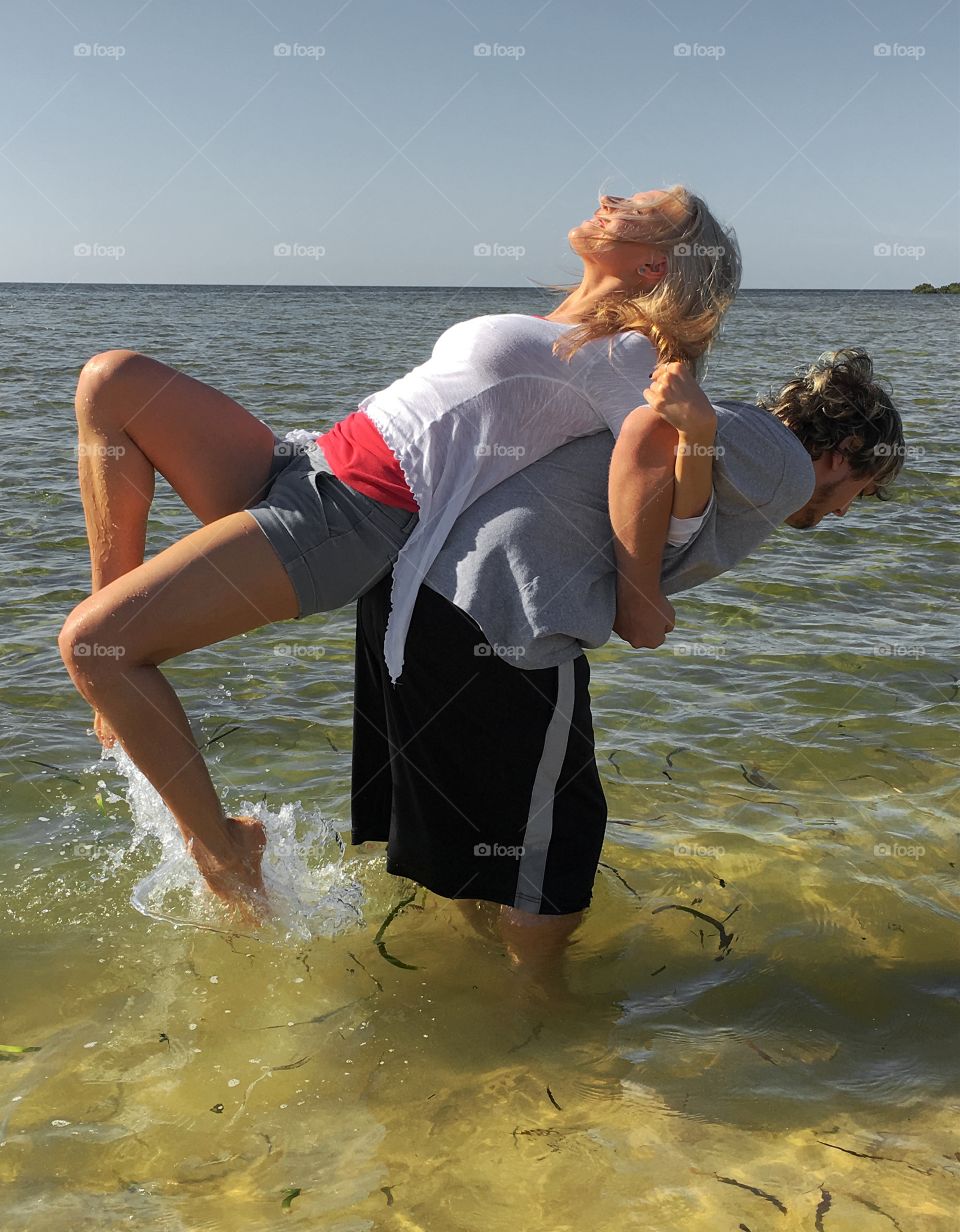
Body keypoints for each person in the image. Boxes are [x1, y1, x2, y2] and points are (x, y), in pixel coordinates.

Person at [58, 186, 739, 914]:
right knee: (112, 379)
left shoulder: (626, 355)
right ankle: (113, 618)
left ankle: (225, 853)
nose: (611, 196)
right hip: (307, 461)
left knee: (94, 645)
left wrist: (693, 444)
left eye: (646, 206)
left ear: (654, 268)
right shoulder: (557, 328)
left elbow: (660, 479)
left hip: (354, 515)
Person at [350, 349, 906, 985]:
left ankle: (476, 992)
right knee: (559, 844)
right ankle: (542, 1011)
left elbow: (673, 463)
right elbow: (650, 431)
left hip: (417, 593)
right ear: (846, 450)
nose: (844, 511)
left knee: (479, 827)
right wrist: (639, 593)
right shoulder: (781, 456)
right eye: (865, 490)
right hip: (508, 604)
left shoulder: (742, 449)